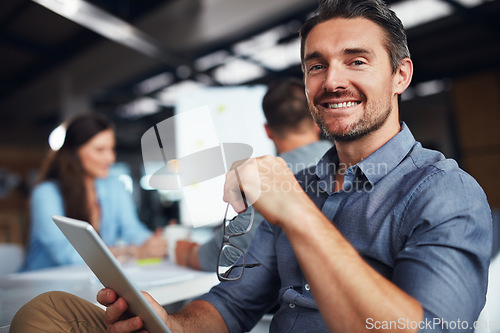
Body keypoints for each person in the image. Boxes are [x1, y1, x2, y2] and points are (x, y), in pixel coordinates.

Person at [11, 0, 492, 332]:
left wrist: (299, 215)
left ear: (400, 75)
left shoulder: (445, 192)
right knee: (46, 314)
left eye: (357, 61)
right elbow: (234, 304)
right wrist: (169, 322)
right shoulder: (302, 183)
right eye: (316, 65)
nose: (332, 80)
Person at [175, 77, 333, 271]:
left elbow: (228, 252)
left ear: (267, 130)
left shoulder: (269, 178)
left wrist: (188, 253)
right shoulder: (346, 162)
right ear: (318, 122)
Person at [23, 112, 166, 271]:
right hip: (42, 285)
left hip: (90, 279)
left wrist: (154, 242)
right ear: (74, 153)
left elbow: (131, 229)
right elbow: (64, 255)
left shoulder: (114, 186)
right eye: (100, 150)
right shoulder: (46, 193)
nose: (111, 158)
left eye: (112, 149)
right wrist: (132, 252)